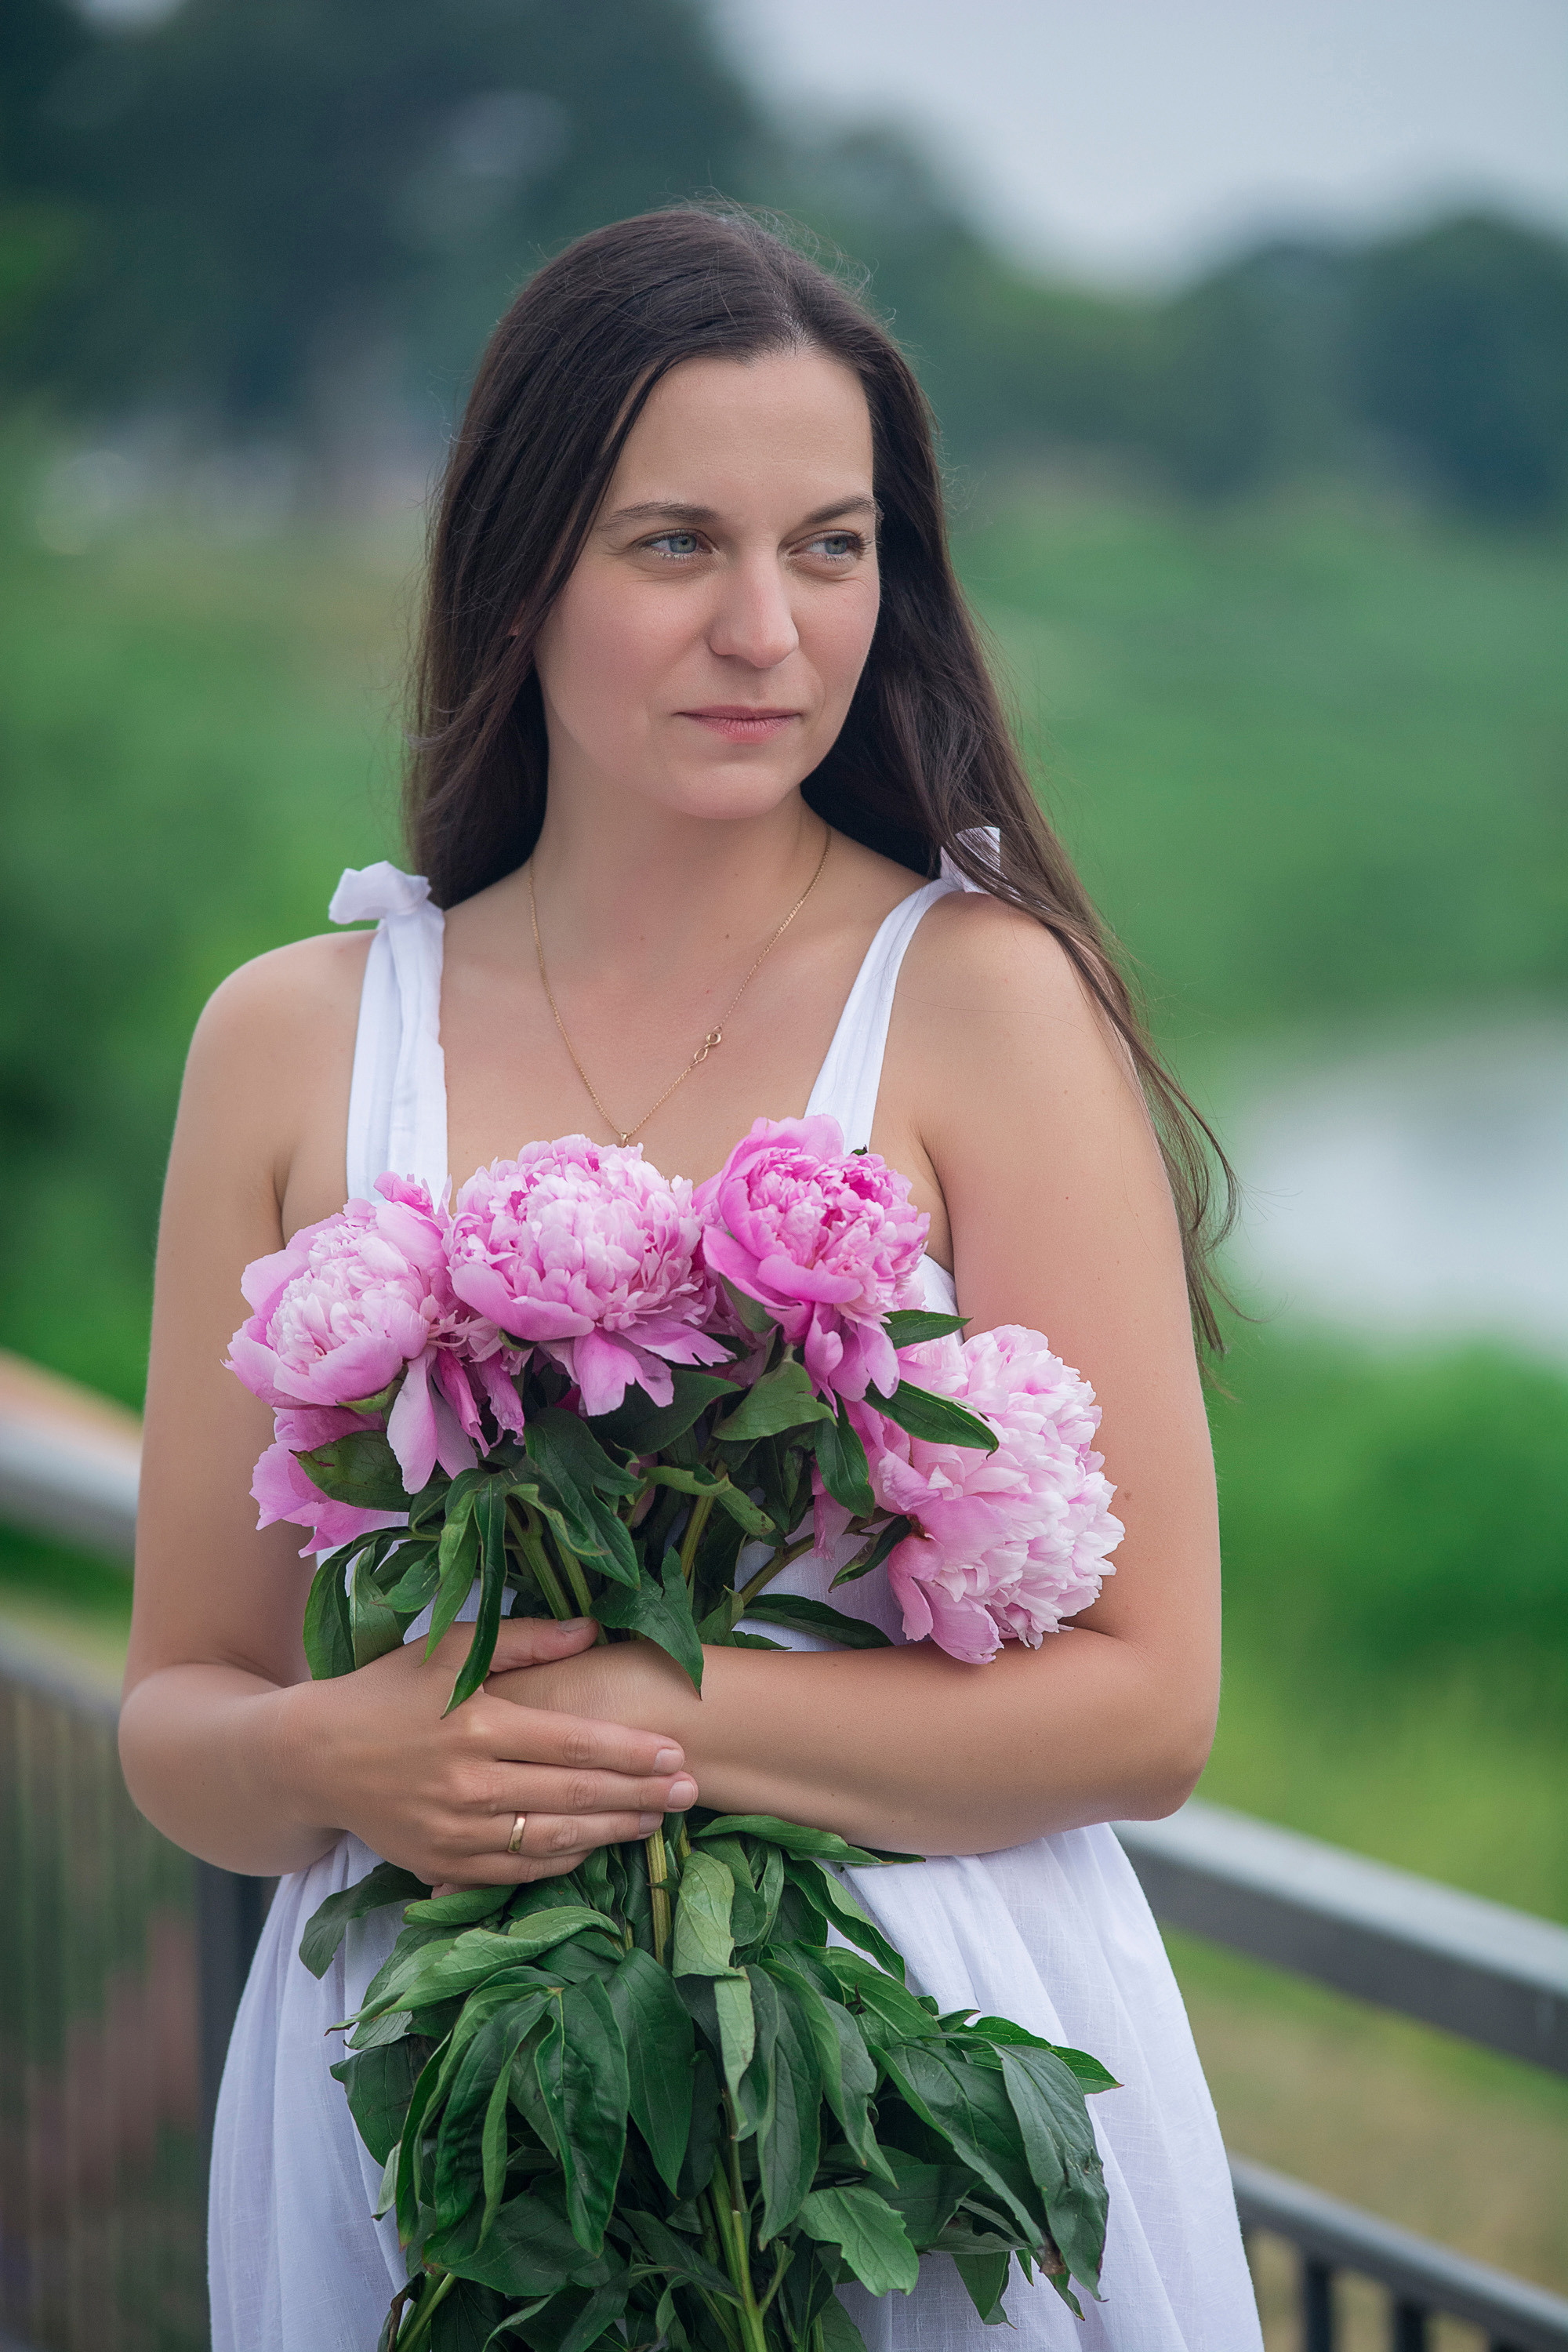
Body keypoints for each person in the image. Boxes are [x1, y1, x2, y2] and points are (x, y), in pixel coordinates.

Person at [119, 208, 1262, 2350]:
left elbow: (1154, 1701)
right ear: (521, 569)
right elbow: (183, 1710)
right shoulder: (289, 1037)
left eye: (833, 548)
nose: (769, 629)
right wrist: (346, 1764)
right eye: (676, 547)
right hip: (422, 2108)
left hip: (898, 2104)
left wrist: (663, 1717)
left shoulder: (994, 1006)